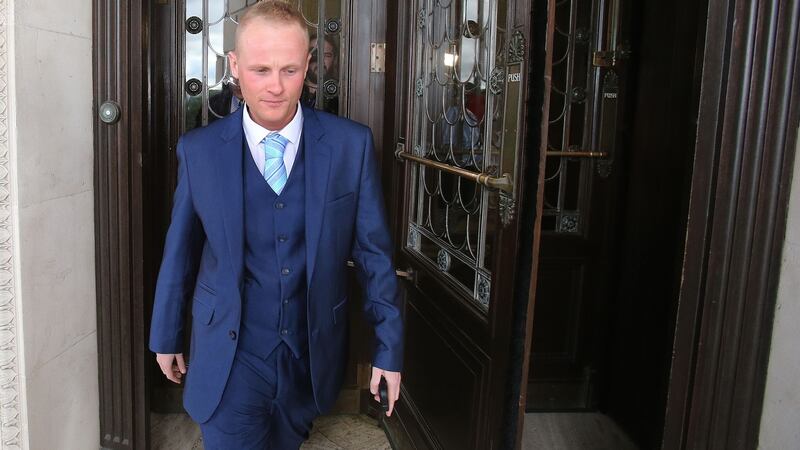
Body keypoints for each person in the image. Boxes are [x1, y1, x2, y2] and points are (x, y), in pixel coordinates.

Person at [148, 2, 404, 448]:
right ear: (235, 67)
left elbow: (374, 255)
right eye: (260, 69)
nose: (274, 87)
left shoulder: (350, 146)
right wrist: (165, 334)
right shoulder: (200, 151)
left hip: (308, 355)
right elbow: (181, 250)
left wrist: (388, 348)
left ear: (307, 66)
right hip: (230, 356)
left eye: (289, 70)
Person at [301, 34, 339, 115]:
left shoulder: (341, 95)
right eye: (315, 54)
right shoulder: (294, 90)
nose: (320, 60)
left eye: (327, 55)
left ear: (334, 59)